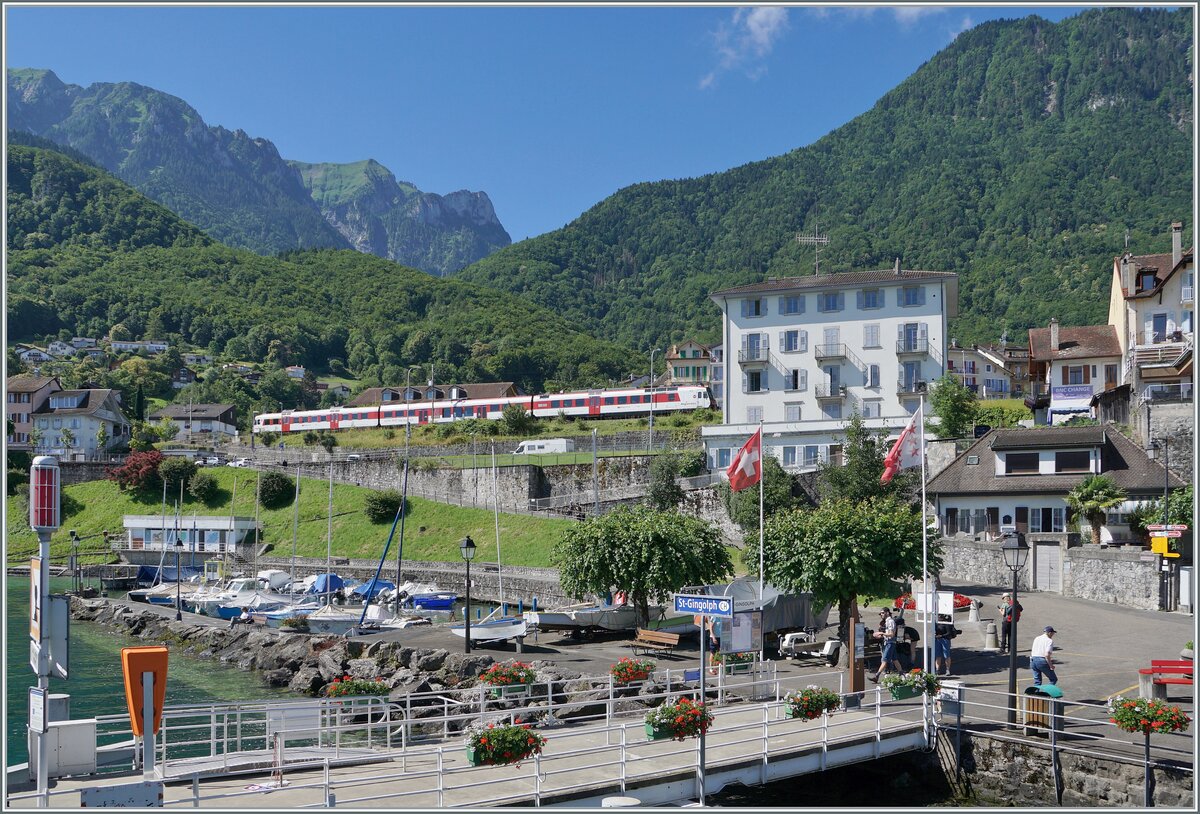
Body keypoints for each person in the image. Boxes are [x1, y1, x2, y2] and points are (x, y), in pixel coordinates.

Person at [870, 608, 902, 682]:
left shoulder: (890, 621)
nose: (881, 614)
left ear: (887, 613)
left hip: (890, 642)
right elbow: (888, 634)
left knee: (884, 659)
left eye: (882, 613)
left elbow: (891, 634)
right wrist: (881, 636)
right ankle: (901, 674)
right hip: (889, 642)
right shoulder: (887, 622)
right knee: (895, 659)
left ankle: (876, 676)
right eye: (880, 613)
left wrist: (881, 633)